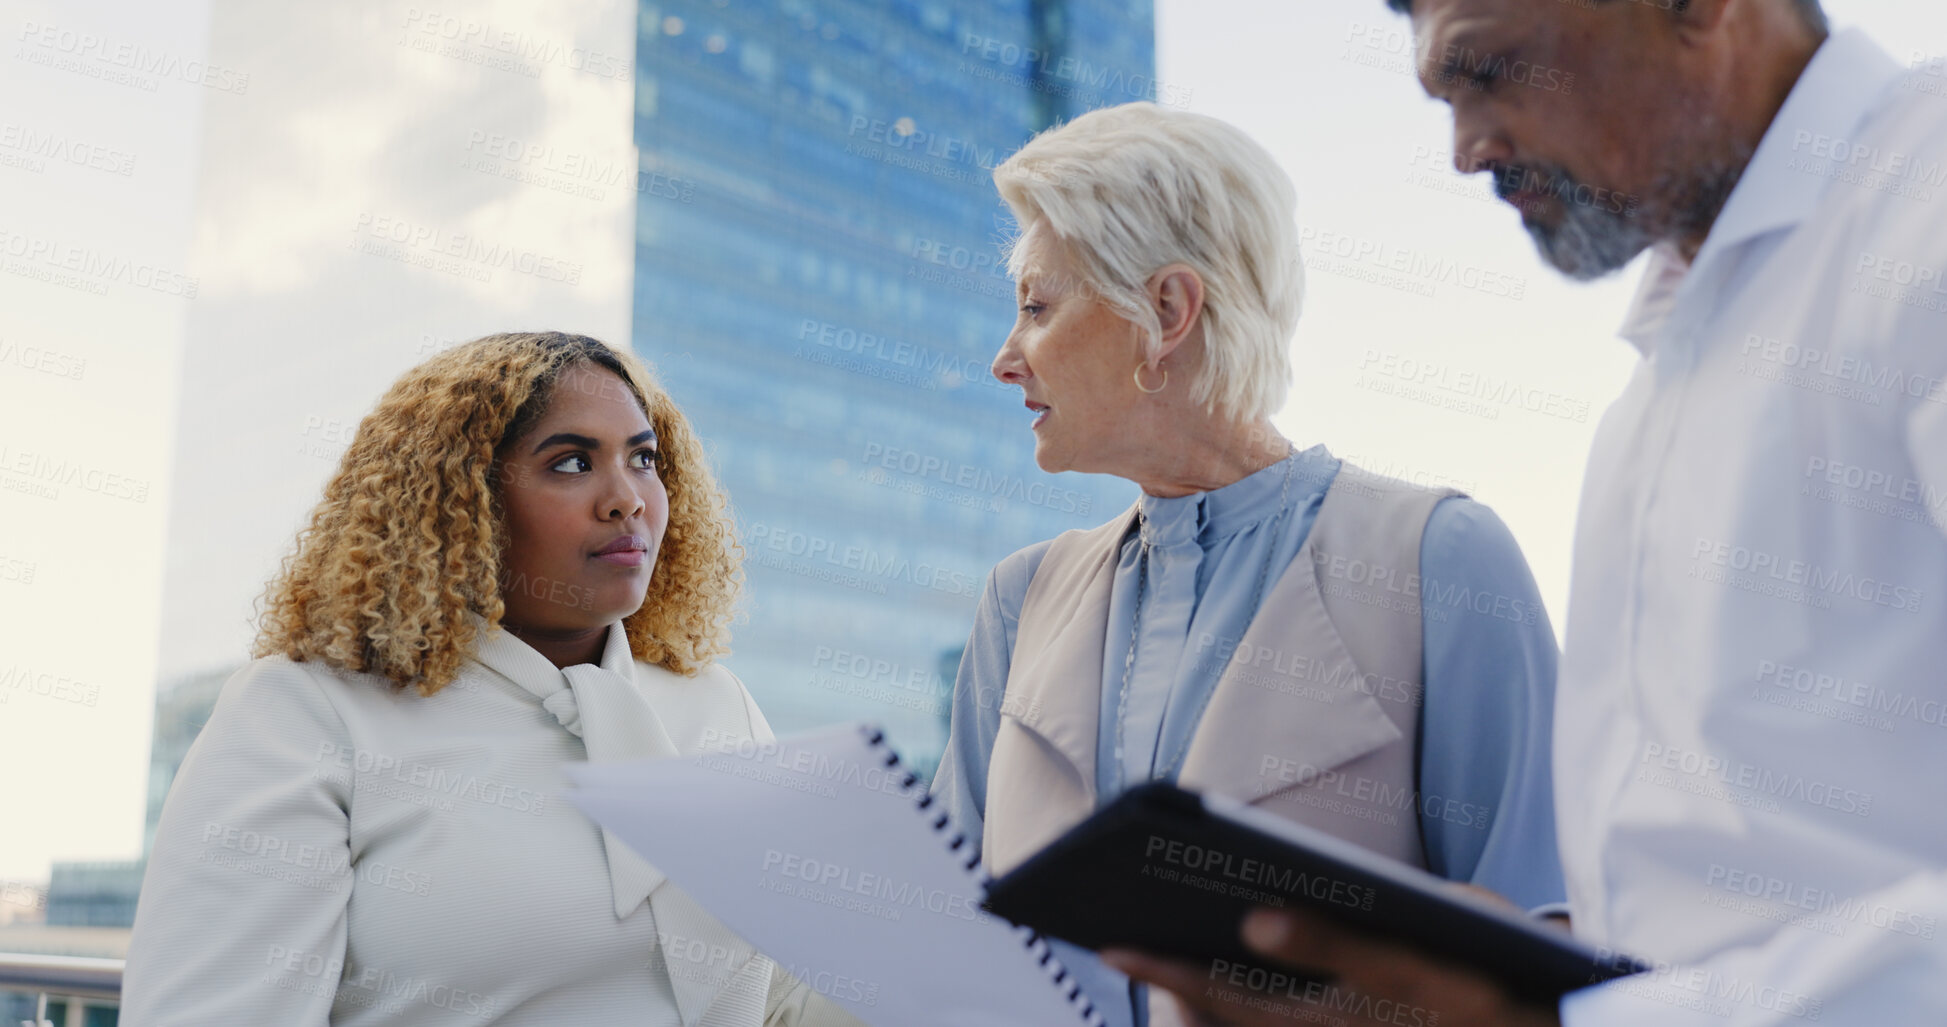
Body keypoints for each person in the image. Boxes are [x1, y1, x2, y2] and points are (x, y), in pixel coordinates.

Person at [1109, 1, 1947, 1024]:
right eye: (1443, 97)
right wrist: (1516, 962)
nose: (1465, 152)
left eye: (1494, 70)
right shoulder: (1653, 399)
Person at [929, 102, 1568, 1027]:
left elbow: (1536, 961)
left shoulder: (1440, 559)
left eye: (1036, 306)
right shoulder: (1018, 599)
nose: (1003, 357)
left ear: (1166, 311)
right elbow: (941, 939)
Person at [123, 332, 860, 1026]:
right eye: (571, 461)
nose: (627, 497)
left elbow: (785, 996)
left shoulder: (713, 704)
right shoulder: (308, 710)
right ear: (461, 503)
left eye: (643, 458)